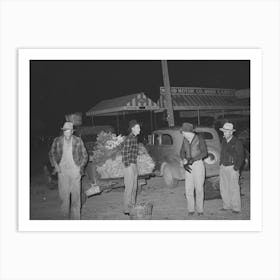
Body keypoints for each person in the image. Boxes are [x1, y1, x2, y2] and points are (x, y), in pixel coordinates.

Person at [49, 122, 88, 219]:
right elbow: (51, 154)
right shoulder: (57, 141)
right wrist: (56, 165)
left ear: (72, 131)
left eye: (69, 131)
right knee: (64, 197)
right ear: (63, 131)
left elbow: (85, 155)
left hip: (75, 172)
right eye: (65, 130)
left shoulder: (78, 141)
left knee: (76, 197)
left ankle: (76, 220)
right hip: (62, 172)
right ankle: (64, 218)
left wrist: (80, 167)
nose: (67, 132)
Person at [179, 122, 207, 216]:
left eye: (183, 132)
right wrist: (184, 161)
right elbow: (182, 152)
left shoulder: (199, 139)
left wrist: (193, 159)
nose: (182, 134)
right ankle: (191, 209)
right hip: (189, 165)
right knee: (188, 188)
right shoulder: (185, 140)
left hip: (198, 165)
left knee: (199, 188)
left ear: (188, 133)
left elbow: (204, 153)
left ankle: (200, 210)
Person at [219, 122, 244, 213]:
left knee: (234, 188)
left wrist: (236, 168)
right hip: (223, 167)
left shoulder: (237, 142)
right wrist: (221, 164)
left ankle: (236, 208)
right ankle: (226, 206)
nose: (224, 133)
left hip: (232, 168)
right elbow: (222, 153)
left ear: (231, 132)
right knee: (224, 187)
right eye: (224, 131)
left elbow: (241, 156)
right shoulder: (224, 141)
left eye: (226, 132)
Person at [121, 120, 141, 215]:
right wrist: (128, 167)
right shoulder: (129, 138)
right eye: (138, 128)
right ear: (132, 128)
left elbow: (132, 152)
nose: (140, 129)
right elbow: (125, 153)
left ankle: (132, 206)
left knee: (134, 187)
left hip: (133, 164)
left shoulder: (134, 138)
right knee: (129, 188)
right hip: (129, 165)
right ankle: (127, 209)